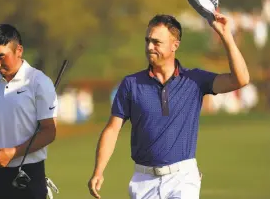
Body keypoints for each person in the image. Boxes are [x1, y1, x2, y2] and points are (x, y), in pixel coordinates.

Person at [88, 13, 249, 199]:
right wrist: (98, 170)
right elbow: (112, 129)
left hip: (182, 179)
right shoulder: (130, 84)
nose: (149, 47)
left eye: (156, 42)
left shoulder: (195, 80)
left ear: (175, 46)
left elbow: (241, 79)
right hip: (143, 181)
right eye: (147, 40)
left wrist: (225, 35)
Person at [0, 24, 58, 199]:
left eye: (1, 57)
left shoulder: (39, 82)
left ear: (19, 50)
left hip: (28, 176)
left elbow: (49, 131)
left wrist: (12, 153)